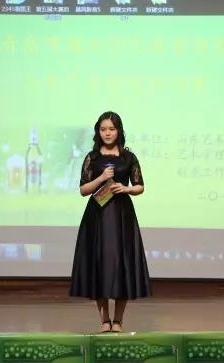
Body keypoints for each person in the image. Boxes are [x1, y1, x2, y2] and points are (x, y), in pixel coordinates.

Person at [69, 111, 151, 333]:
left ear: (119, 131)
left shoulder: (128, 157)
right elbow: (83, 190)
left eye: (111, 129)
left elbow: (140, 186)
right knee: (100, 265)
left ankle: (119, 321)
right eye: (103, 129)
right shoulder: (92, 157)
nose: (107, 133)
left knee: (122, 265)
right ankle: (105, 320)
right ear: (98, 131)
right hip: (97, 216)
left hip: (122, 215)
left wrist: (126, 189)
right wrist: (102, 178)